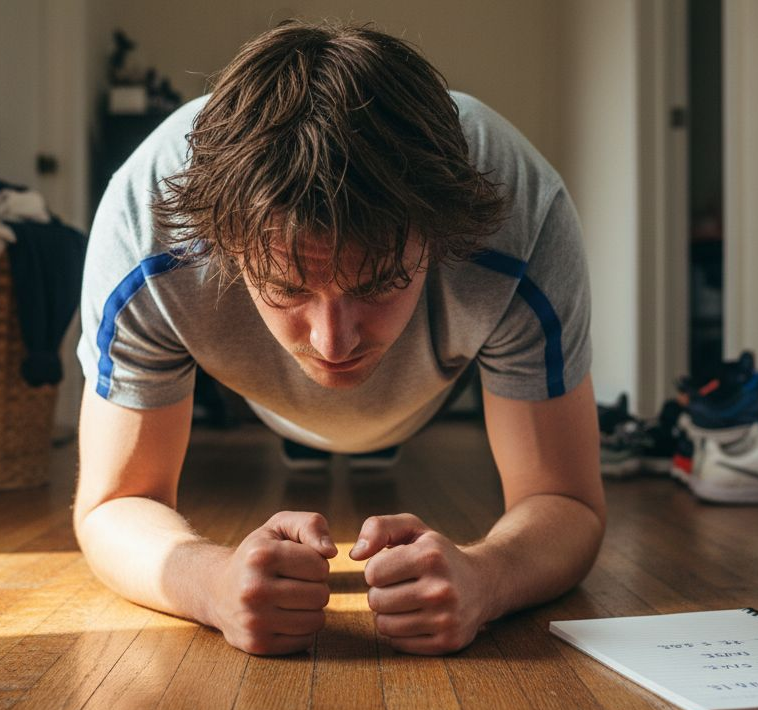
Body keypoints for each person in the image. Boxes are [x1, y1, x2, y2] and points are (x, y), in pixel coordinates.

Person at [73, 21, 606, 656]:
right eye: (288, 287)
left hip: (426, 382)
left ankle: (362, 430)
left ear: (437, 240)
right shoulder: (147, 229)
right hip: (259, 382)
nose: (332, 342)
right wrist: (211, 582)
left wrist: (487, 578)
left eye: (379, 284)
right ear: (226, 250)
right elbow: (112, 504)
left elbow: (566, 500)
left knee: (364, 415)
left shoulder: (521, 214)